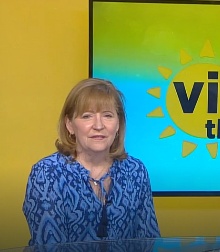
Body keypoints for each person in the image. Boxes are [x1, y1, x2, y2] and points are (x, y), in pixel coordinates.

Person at [23, 78, 161, 246]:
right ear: (70, 125)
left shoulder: (135, 171)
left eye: (107, 116)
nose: (98, 125)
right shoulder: (47, 173)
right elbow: (49, 246)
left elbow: (148, 241)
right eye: (87, 116)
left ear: (118, 124)